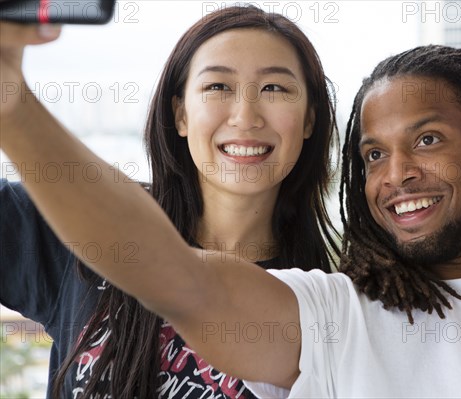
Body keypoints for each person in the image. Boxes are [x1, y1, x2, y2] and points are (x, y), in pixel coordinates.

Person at [1, 18, 461, 396]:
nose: (397, 175)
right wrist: (11, 101)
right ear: (178, 113)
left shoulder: (327, 285)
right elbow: (176, 279)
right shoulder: (338, 313)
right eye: (371, 155)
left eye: (427, 139)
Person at [0, 5, 340, 399]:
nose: (246, 117)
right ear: (180, 114)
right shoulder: (82, 221)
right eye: (218, 87)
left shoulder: (326, 307)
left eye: (274, 88)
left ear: (310, 119)